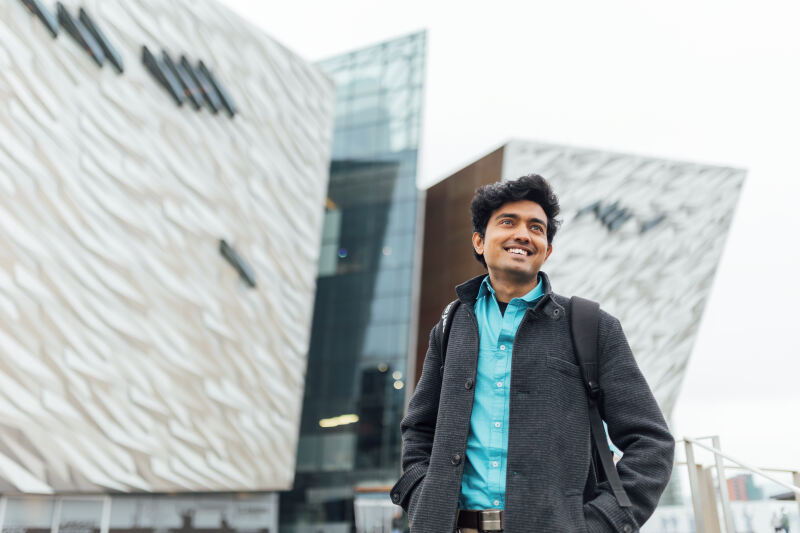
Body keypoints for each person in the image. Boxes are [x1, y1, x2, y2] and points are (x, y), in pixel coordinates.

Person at [391, 175, 675, 532]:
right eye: (508, 222)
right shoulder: (449, 328)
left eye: (536, 228)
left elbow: (652, 442)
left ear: (547, 250)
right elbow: (418, 431)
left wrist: (602, 522)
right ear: (479, 241)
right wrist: (422, 498)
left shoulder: (591, 325)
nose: (523, 234)